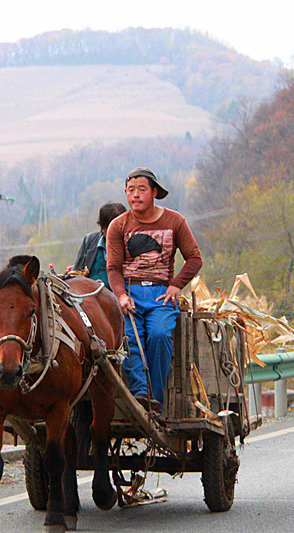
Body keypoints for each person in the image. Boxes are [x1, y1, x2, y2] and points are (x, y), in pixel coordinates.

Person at [105, 167, 202, 408]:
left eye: (142, 190)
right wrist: (120, 295)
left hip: (161, 294)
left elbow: (194, 258)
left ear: (154, 192)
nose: (135, 195)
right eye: (130, 191)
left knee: (159, 336)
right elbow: (113, 268)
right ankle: (140, 395)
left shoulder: (174, 220)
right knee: (129, 340)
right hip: (130, 293)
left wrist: (176, 285)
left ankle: (156, 399)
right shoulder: (118, 226)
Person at [73, 202, 127, 287]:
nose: (115, 234)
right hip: (89, 295)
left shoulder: (130, 245)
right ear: (102, 226)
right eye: (110, 229)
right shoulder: (89, 240)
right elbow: (77, 271)